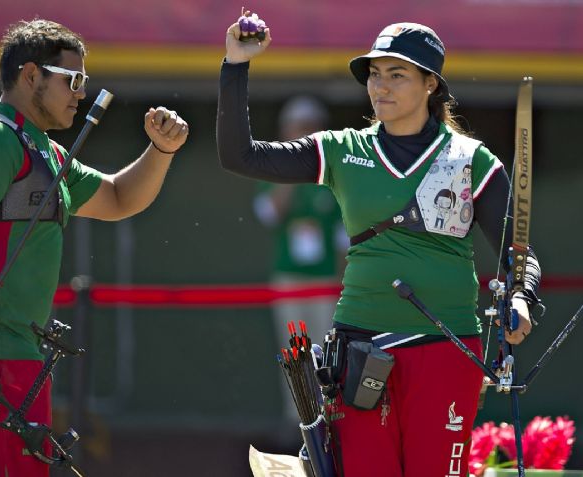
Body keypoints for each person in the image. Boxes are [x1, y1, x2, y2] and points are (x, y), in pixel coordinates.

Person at [217, 15, 541, 477]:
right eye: (374, 74)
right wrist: (235, 64)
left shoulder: (471, 159)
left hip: (446, 348)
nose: (380, 86)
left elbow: (519, 256)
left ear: (431, 84)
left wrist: (521, 296)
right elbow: (239, 156)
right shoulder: (343, 149)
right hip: (360, 347)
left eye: (397, 74)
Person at [0, 19, 188, 477]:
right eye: (73, 80)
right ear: (31, 75)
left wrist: (161, 149)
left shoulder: (44, 149)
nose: (81, 93)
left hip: (19, 362)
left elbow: (119, 197)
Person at [252, 95, 346, 423]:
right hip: (289, 279)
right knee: (294, 353)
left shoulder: (334, 173)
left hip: (326, 281)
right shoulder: (275, 168)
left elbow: (344, 237)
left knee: (327, 352)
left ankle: (329, 419)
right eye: (296, 127)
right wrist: (291, 171)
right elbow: (270, 214)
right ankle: (298, 422)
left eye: (310, 126)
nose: (303, 133)